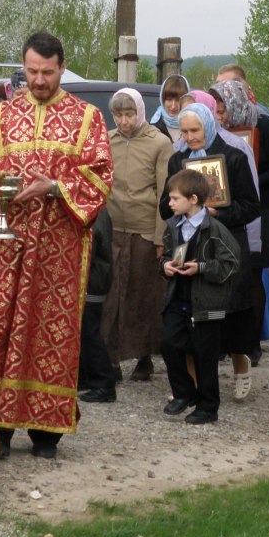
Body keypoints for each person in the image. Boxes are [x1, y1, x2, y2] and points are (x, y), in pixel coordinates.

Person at [0, 31, 112, 460]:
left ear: (62, 69)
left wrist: (53, 186)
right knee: (0, 328)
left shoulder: (87, 118)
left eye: (47, 73)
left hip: (59, 248)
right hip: (5, 244)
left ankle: (44, 430)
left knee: (50, 331)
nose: (39, 80)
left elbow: (100, 175)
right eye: (32, 71)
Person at [160, 103, 260, 401]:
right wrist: (177, 207)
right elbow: (166, 203)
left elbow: (251, 206)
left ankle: (241, 367)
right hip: (188, 244)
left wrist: (217, 214)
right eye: (184, 131)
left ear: (208, 126)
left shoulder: (233, 157)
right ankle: (192, 386)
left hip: (224, 243)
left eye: (195, 130)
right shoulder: (178, 160)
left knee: (229, 315)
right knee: (189, 312)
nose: (189, 137)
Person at [211, 78, 269, 366]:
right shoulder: (217, 133)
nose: (220, 115)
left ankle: (251, 342)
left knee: (253, 277)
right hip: (227, 210)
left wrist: (251, 174)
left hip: (261, 211)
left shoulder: (263, 125)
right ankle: (224, 341)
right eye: (216, 109)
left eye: (223, 108)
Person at [101, 88, 172, 384]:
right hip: (113, 228)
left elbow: (165, 194)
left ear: (140, 112)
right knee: (111, 296)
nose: (124, 121)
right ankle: (111, 358)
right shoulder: (107, 139)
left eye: (129, 114)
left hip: (144, 230)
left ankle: (144, 357)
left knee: (143, 296)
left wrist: (159, 238)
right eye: (118, 115)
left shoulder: (159, 143)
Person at [159, 169, 240, 425]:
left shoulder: (215, 229)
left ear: (193, 199)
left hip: (206, 304)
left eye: (174, 198)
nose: (169, 203)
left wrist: (201, 267)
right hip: (178, 299)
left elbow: (232, 263)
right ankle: (184, 394)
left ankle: (208, 407)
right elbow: (166, 255)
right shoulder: (173, 226)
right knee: (168, 343)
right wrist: (165, 266)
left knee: (205, 356)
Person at [78, 208, 117, 402]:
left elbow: (90, 246)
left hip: (92, 281)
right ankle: (85, 377)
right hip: (93, 278)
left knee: (89, 332)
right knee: (83, 331)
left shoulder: (96, 212)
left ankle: (104, 383)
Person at [151, 74, 190, 143]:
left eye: (178, 100)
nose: (173, 106)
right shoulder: (153, 128)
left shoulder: (194, 125)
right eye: (169, 99)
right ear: (162, 99)